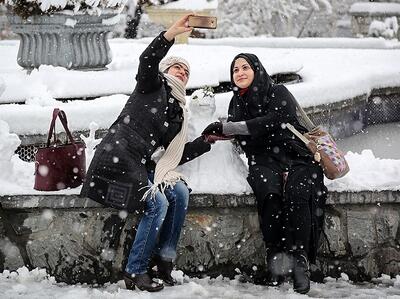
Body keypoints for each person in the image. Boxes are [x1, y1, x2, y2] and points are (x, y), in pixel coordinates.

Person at [80, 15, 212, 292]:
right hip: (117, 155)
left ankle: (164, 260)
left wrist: (207, 140)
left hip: (140, 162)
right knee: (157, 204)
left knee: (179, 193)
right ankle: (135, 270)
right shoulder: (152, 86)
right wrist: (170, 34)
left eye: (186, 73)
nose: (182, 74)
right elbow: (147, 61)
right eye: (178, 68)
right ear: (166, 70)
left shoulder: (176, 112)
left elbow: (173, 155)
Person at [202, 53, 328, 294]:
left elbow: (276, 119)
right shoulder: (236, 101)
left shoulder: (277, 91)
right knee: (269, 196)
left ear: (257, 69)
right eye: (235, 70)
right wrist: (219, 133)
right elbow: (238, 131)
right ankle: (277, 260)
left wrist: (232, 127)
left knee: (297, 195)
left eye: (245, 67)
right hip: (262, 158)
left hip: (295, 153)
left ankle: (300, 261)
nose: (239, 73)